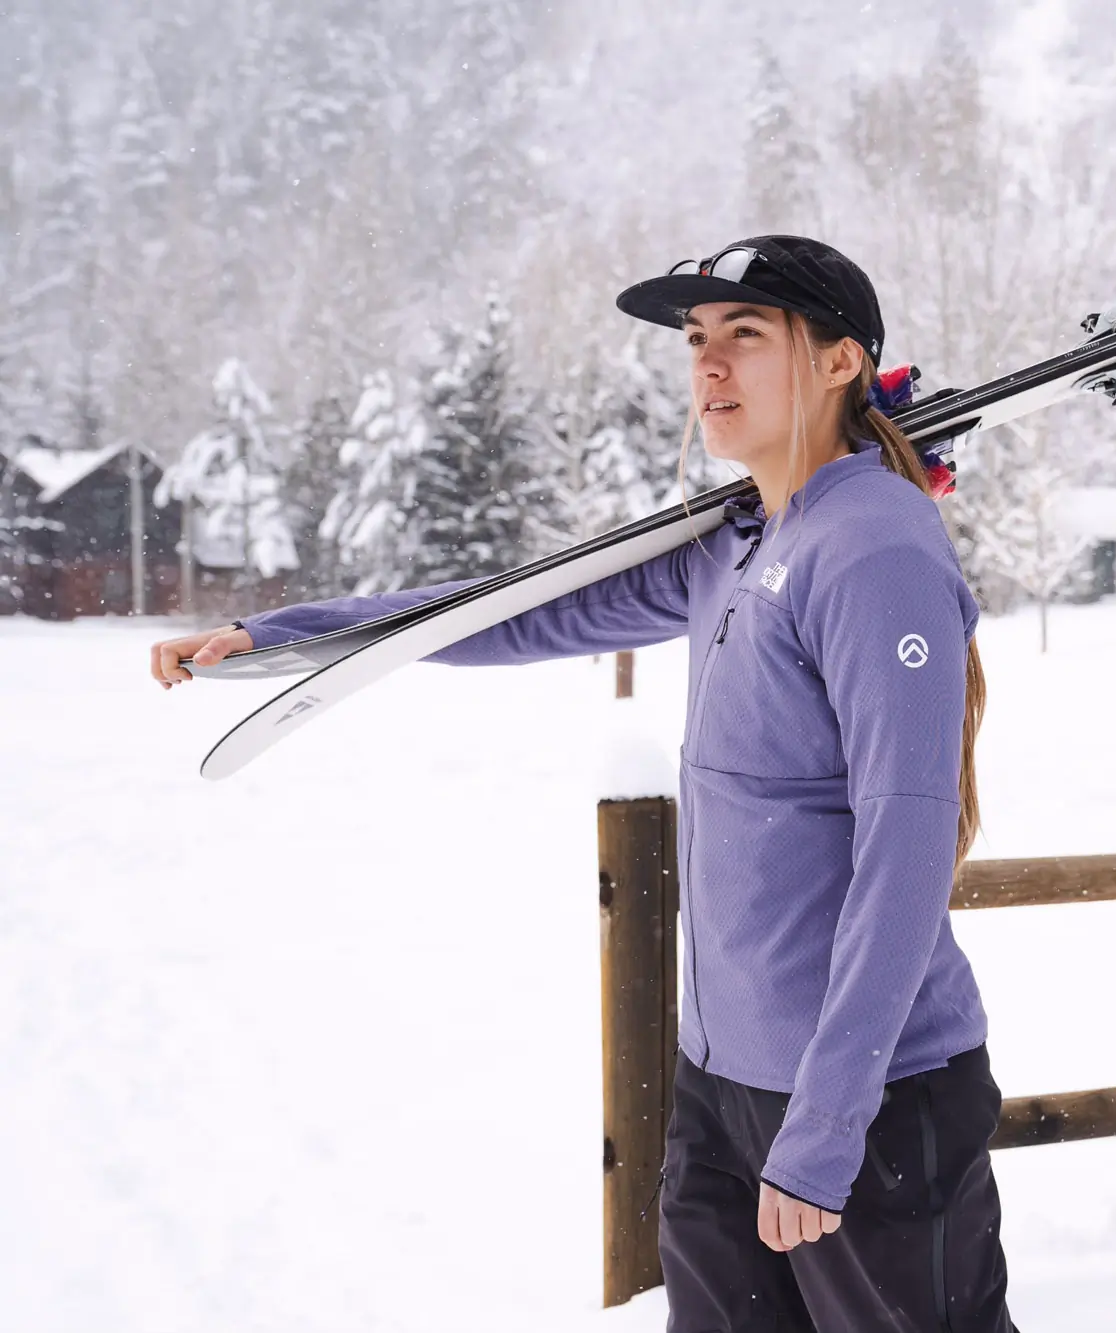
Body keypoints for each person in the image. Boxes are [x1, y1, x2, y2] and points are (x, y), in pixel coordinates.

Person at [149, 235, 1020, 1332]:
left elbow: (905, 852)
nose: (707, 366)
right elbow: (519, 608)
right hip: (725, 1083)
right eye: (696, 341)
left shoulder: (875, 548)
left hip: (868, 1098)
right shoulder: (738, 542)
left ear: (840, 360)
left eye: (743, 337)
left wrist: (828, 1119)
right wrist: (294, 635)